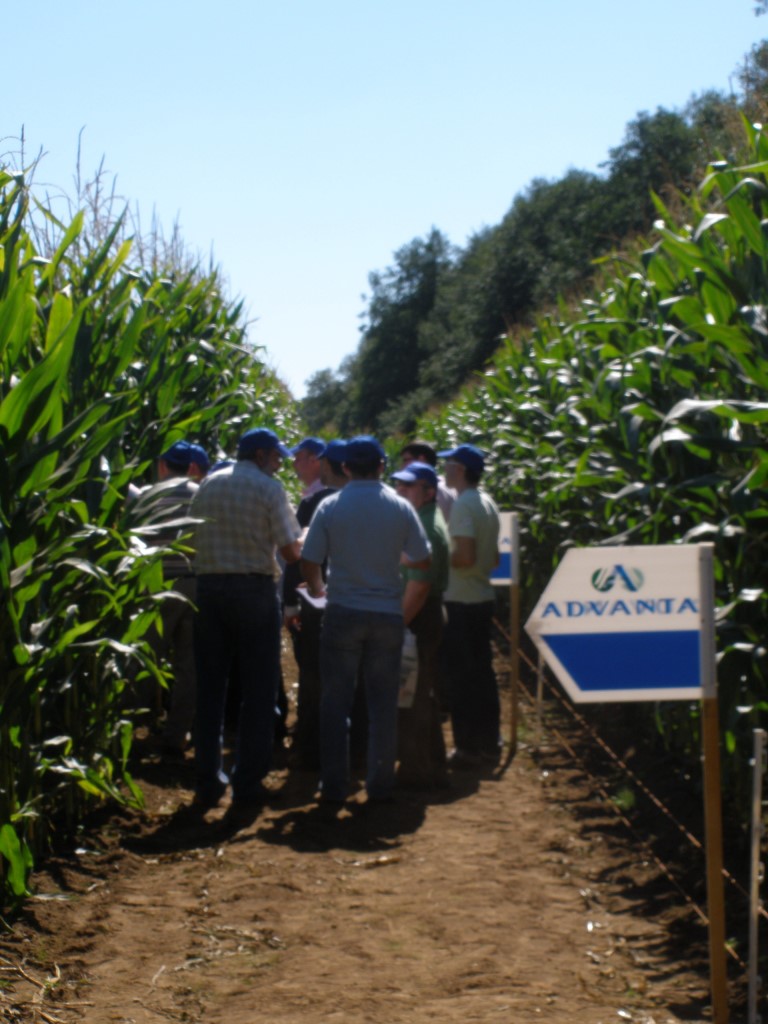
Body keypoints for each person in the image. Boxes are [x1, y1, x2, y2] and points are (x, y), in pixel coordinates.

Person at [301, 435, 431, 806]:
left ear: (344, 468)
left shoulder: (330, 506)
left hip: (342, 611)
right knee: (381, 707)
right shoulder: (401, 508)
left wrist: (319, 589)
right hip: (387, 614)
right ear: (381, 468)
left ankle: (334, 786)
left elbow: (309, 560)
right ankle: (379, 786)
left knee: (335, 704)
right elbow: (422, 562)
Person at [190, 427, 301, 809]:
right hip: (253, 591)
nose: (279, 463)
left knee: (210, 690)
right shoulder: (269, 489)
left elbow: (189, 538)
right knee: (257, 691)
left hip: (208, 590)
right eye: (276, 457)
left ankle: (207, 781)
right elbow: (289, 552)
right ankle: (247, 784)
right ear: (259, 456)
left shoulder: (208, 484)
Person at [437, 443, 501, 767]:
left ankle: (466, 748)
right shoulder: (487, 502)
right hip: (483, 597)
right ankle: (491, 744)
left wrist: (437, 556)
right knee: (483, 676)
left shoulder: (463, 505)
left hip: (460, 600)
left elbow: (465, 556)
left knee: (461, 679)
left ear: (460, 470)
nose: (444, 470)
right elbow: (494, 559)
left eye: (448, 465)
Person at [282, 440, 343, 769]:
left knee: (314, 673)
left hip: (317, 601)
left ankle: (310, 745)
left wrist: (292, 602)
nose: (295, 463)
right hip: (341, 598)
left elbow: (300, 557)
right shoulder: (317, 498)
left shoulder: (320, 502)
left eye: (303, 458)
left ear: (324, 464)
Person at [391, 461, 450, 788]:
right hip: (423, 614)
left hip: (419, 615)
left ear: (429, 492)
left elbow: (420, 585)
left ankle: (417, 771)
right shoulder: (424, 519)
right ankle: (430, 766)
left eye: (409, 486)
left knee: (411, 696)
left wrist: (398, 625)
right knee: (420, 693)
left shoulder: (426, 527)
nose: (400, 490)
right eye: (398, 484)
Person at [400, 439, 456, 521]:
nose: (402, 466)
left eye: (406, 460)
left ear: (421, 460)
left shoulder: (435, 490)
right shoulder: (446, 485)